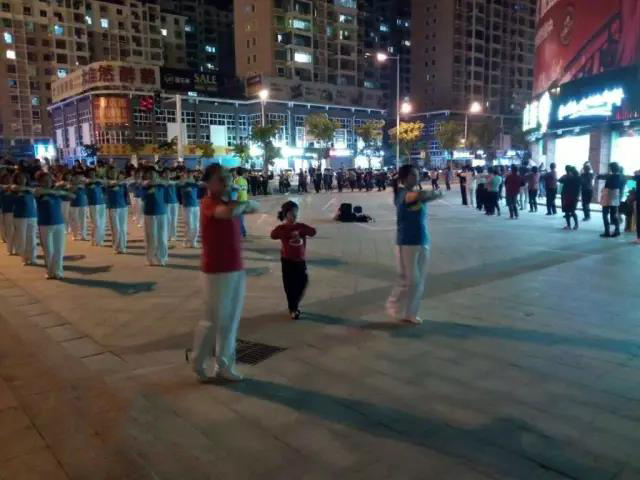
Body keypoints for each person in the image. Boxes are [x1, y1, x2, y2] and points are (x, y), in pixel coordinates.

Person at [190, 164, 258, 382]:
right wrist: (246, 204)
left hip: (235, 266)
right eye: (221, 178)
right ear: (209, 183)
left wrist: (244, 204)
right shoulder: (209, 203)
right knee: (212, 321)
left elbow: (241, 208)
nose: (227, 181)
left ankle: (225, 365)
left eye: (228, 177)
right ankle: (198, 362)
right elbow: (228, 213)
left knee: (230, 321)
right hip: (216, 271)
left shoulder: (229, 201)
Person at [386, 165, 442, 324]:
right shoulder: (402, 194)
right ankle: (393, 304)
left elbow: (423, 196)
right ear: (404, 178)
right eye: (412, 175)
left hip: (422, 240)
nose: (416, 178)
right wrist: (434, 194)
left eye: (417, 175)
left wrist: (434, 194)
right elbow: (417, 196)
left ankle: (410, 313)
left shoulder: (415, 193)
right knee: (411, 280)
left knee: (419, 281)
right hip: (406, 242)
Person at [270, 201, 317, 320]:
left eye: (296, 212)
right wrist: (289, 232)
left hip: (300, 260)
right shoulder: (282, 228)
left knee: (303, 281)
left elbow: (313, 232)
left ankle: (294, 303)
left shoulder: (301, 226)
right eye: (291, 213)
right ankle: (293, 309)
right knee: (289, 286)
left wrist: (300, 231)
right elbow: (273, 235)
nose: (294, 215)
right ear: (285, 214)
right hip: (287, 261)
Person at [34, 172, 75, 279]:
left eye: (49, 179)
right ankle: (50, 272)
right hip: (45, 224)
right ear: (39, 182)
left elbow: (72, 196)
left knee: (59, 250)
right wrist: (57, 190)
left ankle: (58, 272)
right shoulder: (39, 191)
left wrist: (65, 189)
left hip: (59, 223)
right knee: (48, 250)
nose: (47, 182)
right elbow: (37, 192)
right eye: (44, 180)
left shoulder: (57, 193)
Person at [141, 167, 169, 266]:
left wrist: (159, 182)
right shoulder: (144, 185)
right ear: (147, 175)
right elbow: (142, 196)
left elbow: (167, 183)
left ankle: (162, 258)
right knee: (151, 237)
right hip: (149, 213)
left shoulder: (161, 184)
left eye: (154, 173)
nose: (152, 175)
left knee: (162, 237)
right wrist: (148, 187)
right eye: (150, 174)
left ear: (157, 175)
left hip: (162, 212)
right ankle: (151, 258)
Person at [10, 171, 38, 265]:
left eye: (23, 177)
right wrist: (29, 189)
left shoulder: (30, 189)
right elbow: (15, 188)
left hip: (32, 215)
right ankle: (24, 258)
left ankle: (32, 257)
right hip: (19, 216)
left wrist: (30, 189)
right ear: (16, 179)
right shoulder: (14, 188)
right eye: (19, 178)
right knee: (21, 237)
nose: (21, 179)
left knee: (32, 237)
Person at [597, 162, 625, 238]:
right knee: (614, 215)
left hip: (608, 196)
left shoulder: (611, 176)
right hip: (616, 196)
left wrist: (606, 176)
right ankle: (617, 230)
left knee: (605, 214)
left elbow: (600, 178)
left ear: (612, 168)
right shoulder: (621, 176)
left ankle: (607, 231)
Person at [105, 167, 128, 254]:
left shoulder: (122, 184)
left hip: (123, 207)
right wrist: (120, 182)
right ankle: (116, 246)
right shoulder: (107, 182)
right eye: (111, 172)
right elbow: (109, 185)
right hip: (113, 208)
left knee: (123, 229)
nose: (113, 174)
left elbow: (126, 194)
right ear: (108, 174)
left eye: (115, 172)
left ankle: (122, 247)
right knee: (116, 229)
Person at [178, 170, 201, 248]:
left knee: (196, 225)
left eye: (191, 174)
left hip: (196, 206)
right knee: (189, 224)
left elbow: (202, 184)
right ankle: (186, 241)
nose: (189, 175)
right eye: (188, 174)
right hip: (187, 206)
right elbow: (180, 185)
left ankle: (193, 241)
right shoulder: (183, 184)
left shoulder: (195, 183)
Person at [86, 169, 107, 247]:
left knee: (102, 223)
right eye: (91, 173)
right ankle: (94, 239)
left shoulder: (98, 182)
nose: (92, 175)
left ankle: (100, 240)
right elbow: (87, 182)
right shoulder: (87, 182)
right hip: (93, 204)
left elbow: (105, 183)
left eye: (94, 173)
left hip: (102, 203)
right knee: (96, 224)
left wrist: (100, 180)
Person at [68, 172, 89, 241]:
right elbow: (71, 190)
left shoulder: (84, 185)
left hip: (83, 204)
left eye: (79, 177)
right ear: (73, 178)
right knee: (74, 221)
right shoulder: (70, 185)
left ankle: (83, 235)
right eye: (76, 178)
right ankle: (75, 235)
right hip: (73, 205)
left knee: (83, 221)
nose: (78, 179)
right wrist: (77, 185)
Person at [559, 166, 580, 230]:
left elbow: (560, 180)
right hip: (569, 196)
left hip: (570, 196)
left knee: (570, 211)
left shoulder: (574, 178)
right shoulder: (569, 177)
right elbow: (560, 180)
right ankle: (573, 225)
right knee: (569, 211)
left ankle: (571, 225)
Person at [162, 169, 179, 243]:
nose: (167, 174)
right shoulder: (161, 182)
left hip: (174, 202)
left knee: (174, 220)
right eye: (166, 173)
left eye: (169, 173)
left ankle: (173, 235)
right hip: (166, 203)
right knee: (168, 220)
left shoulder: (174, 182)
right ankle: (167, 235)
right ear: (163, 174)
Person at [1, 173, 17, 254]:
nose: (8, 180)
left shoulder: (16, 188)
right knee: (9, 230)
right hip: (7, 211)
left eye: (9, 178)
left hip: (17, 211)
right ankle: (10, 249)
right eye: (5, 178)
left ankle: (17, 248)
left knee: (16, 231)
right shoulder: (1, 188)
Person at [233, 167, 249, 238]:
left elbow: (235, 192)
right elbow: (245, 191)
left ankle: (241, 232)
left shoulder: (236, 180)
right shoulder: (245, 181)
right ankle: (243, 232)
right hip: (244, 200)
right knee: (241, 218)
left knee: (238, 218)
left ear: (236, 172)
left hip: (239, 201)